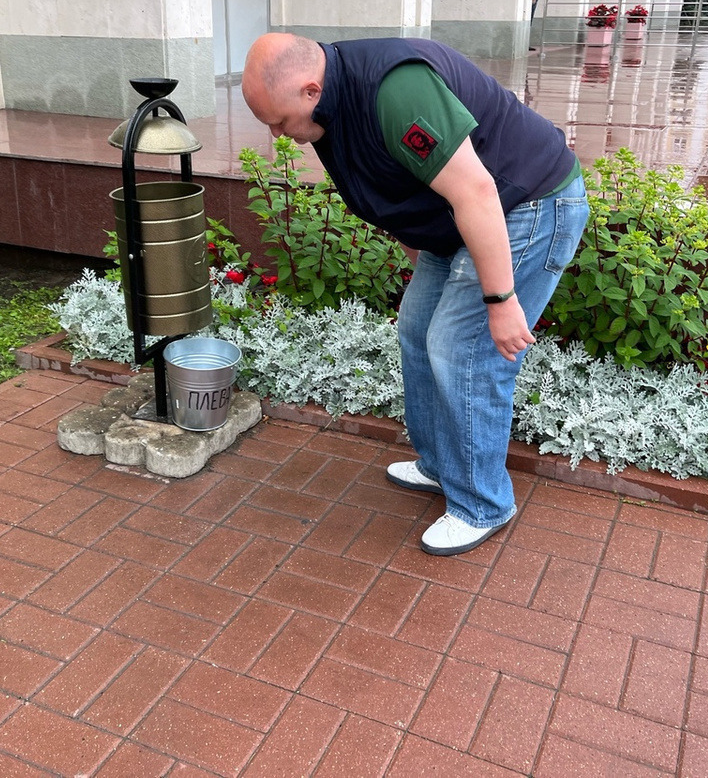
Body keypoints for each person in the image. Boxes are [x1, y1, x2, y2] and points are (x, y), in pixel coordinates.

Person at [241, 33, 589, 556]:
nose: (277, 134)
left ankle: (482, 504)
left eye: (279, 121)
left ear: (311, 90)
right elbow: (397, 193)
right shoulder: (331, 112)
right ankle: (441, 465)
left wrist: (499, 301)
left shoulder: (396, 90)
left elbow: (476, 190)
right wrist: (429, 267)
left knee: (463, 348)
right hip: (461, 220)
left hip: (526, 205)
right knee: (417, 327)